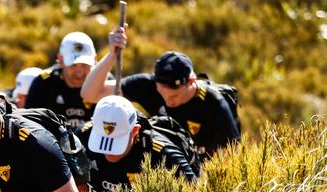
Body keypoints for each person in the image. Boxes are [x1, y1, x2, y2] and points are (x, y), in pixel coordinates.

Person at [81, 28, 240, 158]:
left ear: (191, 81)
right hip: (165, 164)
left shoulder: (213, 103)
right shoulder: (147, 85)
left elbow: (232, 154)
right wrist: (111, 56)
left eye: (174, 96)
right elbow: (89, 94)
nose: (168, 102)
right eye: (162, 93)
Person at [77, 95, 199, 192]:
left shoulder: (161, 152)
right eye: (101, 140)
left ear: (135, 131)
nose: (108, 151)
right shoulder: (81, 137)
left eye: (116, 143)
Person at [24, 31, 99, 129]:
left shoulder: (105, 83)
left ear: (95, 60)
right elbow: (30, 126)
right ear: (60, 59)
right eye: (73, 65)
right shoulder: (44, 84)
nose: (79, 72)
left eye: (85, 65)